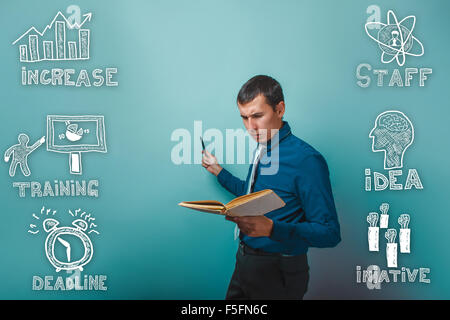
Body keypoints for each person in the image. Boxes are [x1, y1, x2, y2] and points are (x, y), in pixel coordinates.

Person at [202, 75, 341, 300]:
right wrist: (219, 171)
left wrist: (272, 229)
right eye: (244, 118)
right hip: (245, 261)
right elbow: (250, 194)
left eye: (257, 116)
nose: (251, 127)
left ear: (280, 109)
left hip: (279, 269)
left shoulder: (306, 160)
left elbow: (330, 233)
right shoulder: (262, 149)